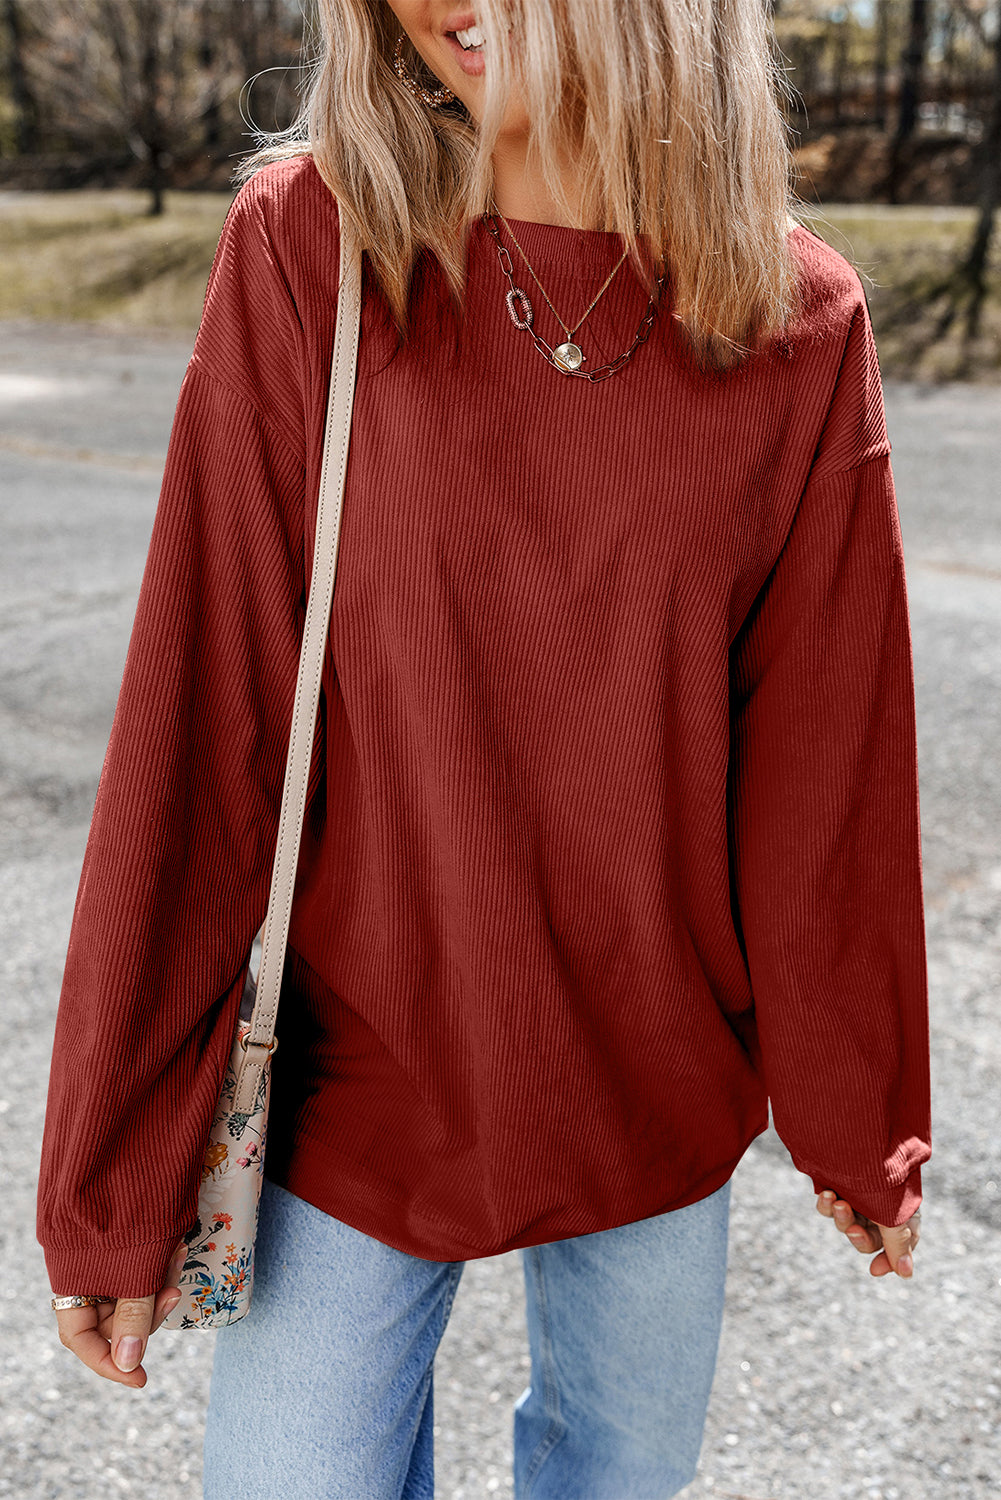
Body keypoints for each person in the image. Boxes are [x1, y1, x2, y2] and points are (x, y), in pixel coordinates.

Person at [38, 1, 930, 1495]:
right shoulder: (313, 248)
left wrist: (861, 1118)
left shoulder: (793, 317)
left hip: (656, 1082)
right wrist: (113, 1168)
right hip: (357, 1079)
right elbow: (203, 719)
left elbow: (823, 768)